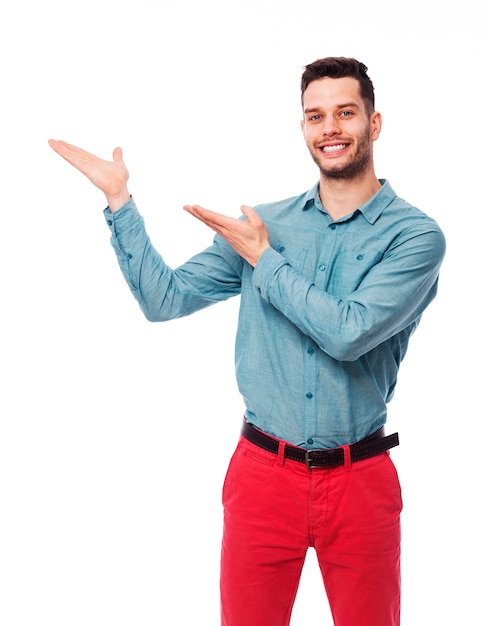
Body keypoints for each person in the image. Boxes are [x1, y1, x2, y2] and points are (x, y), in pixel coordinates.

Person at [48, 56, 446, 626]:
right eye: (315, 116)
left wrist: (264, 259)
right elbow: (165, 301)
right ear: (304, 128)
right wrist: (119, 203)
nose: (329, 128)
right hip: (264, 475)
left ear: (374, 124)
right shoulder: (268, 222)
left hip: (361, 482)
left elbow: (349, 332)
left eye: (345, 113)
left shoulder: (416, 236)